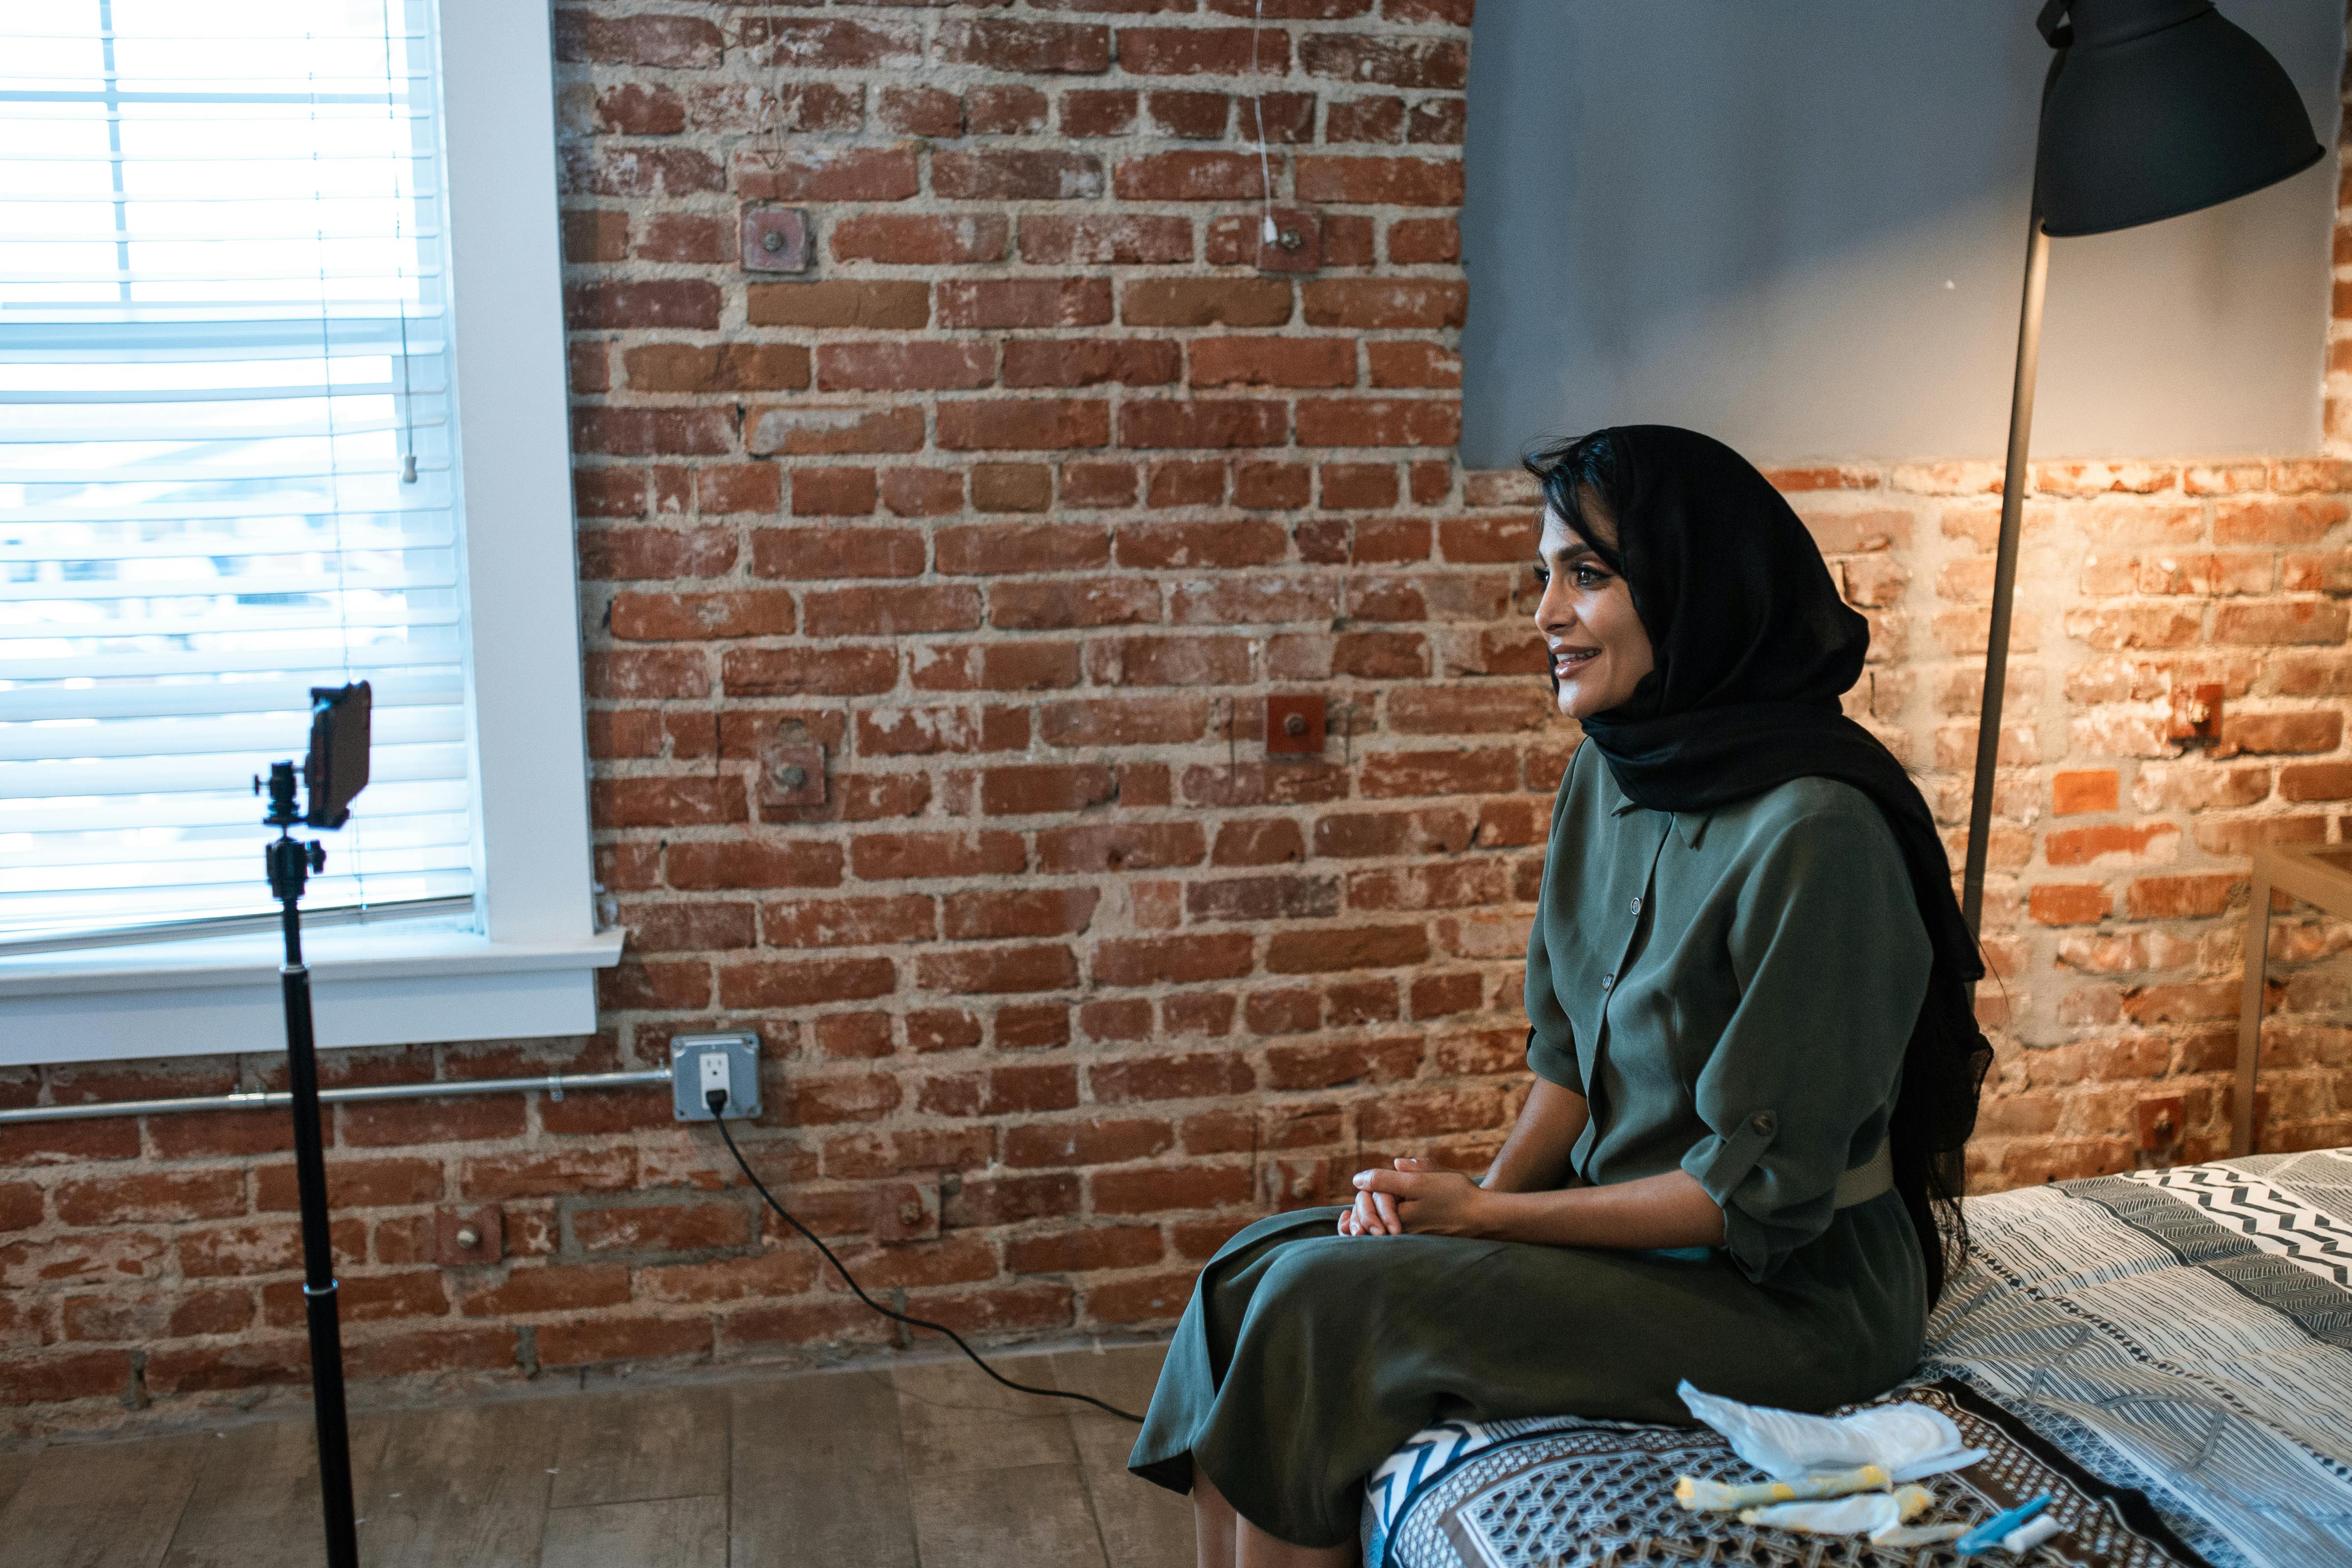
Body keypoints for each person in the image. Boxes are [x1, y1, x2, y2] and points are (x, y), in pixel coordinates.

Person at [1127, 425, 1992, 1568]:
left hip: (1786, 1296)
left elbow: (1752, 1200)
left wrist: (1482, 1223)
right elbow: (1567, 1075)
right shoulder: (1611, 771)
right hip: (1628, 1242)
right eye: (1543, 574)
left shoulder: (1816, 835)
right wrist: (1446, 1228)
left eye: (1586, 575)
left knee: (1320, 1311)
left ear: (1694, 589)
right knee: (1250, 1275)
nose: (1543, 611)